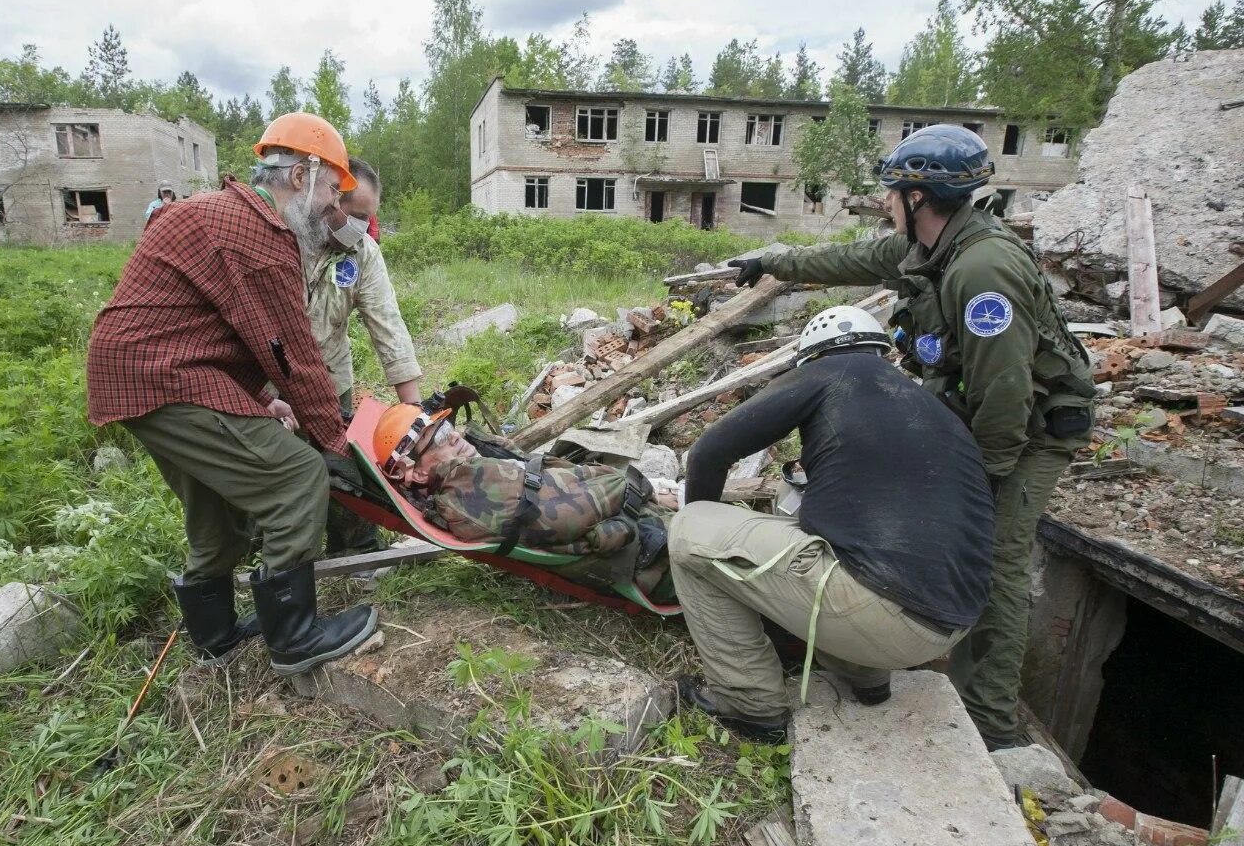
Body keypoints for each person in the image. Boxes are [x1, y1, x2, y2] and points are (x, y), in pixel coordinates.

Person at [727, 125, 1095, 749]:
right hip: (971, 415)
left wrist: (974, 484)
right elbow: (853, 259)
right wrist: (772, 262)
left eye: (894, 191)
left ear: (919, 197)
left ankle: (991, 725)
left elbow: (1005, 398)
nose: (887, 201)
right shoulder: (929, 248)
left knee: (992, 559)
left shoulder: (982, 271)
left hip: (1023, 438)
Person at [86, 112, 378, 676]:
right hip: (162, 377)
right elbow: (292, 354)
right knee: (296, 476)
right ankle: (295, 637)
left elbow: (208, 330)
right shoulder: (259, 235)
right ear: (301, 176)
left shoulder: (226, 216)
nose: (333, 211)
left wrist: (253, 399)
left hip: (142, 375)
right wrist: (339, 448)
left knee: (214, 503)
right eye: (330, 194)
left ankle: (215, 634)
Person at [670, 306, 995, 742]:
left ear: (812, 357)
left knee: (690, 528)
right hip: (950, 625)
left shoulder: (830, 372)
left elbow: (709, 451)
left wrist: (704, 544)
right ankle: (866, 679)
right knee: (857, 546)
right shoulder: (926, 406)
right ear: (881, 352)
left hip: (882, 615)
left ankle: (750, 707)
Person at [369, 400, 672, 595]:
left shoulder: (472, 474)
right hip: (659, 556)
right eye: (436, 439)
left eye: (446, 427)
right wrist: (634, 485)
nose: (453, 436)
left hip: (650, 534)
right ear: (418, 474)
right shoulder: (466, 494)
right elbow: (571, 514)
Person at [305, 157, 422, 558]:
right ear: (327, 198)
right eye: (355, 215)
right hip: (268, 383)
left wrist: (414, 415)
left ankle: (354, 551)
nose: (361, 226)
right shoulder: (287, 236)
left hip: (330, 378)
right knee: (273, 472)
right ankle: (271, 553)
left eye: (367, 218)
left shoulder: (363, 253)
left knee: (344, 466)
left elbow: (388, 327)